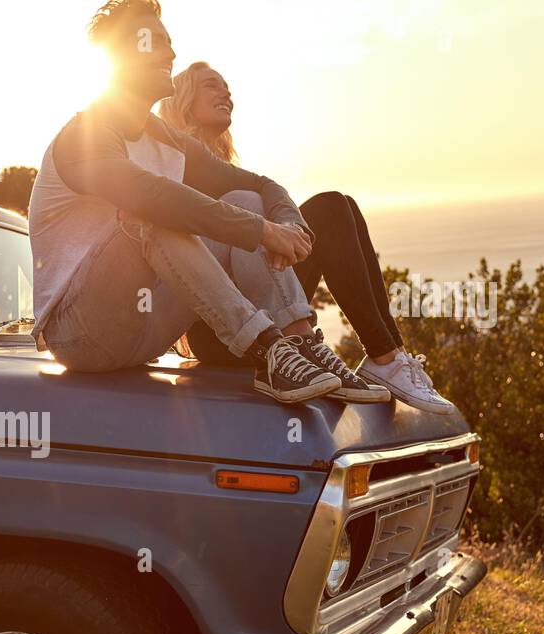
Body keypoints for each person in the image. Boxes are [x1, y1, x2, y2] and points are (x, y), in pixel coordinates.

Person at [28, 0, 352, 405]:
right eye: (156, 43)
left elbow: (259, 184)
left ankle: (300, 342)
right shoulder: (85, 134)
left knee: (244, 199)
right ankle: (264, 347)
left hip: (147, 330)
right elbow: (152, 197)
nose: (170, 53)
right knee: (149, 214)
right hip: (81, 334)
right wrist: (262, 231)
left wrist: (289, 224)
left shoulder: (165, 136)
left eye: (170, 43)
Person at [159, 62, 455, 413]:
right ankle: (383, 358)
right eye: (212, 85)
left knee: (340, 207)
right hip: (223, 330)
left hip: (263, 304)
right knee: (322, 209)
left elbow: (269, 195)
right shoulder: (177, 164)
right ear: (184, 98)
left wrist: (290, 231)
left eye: (227, 88)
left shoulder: (226, 168)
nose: (226, 93)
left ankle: (388, 356)